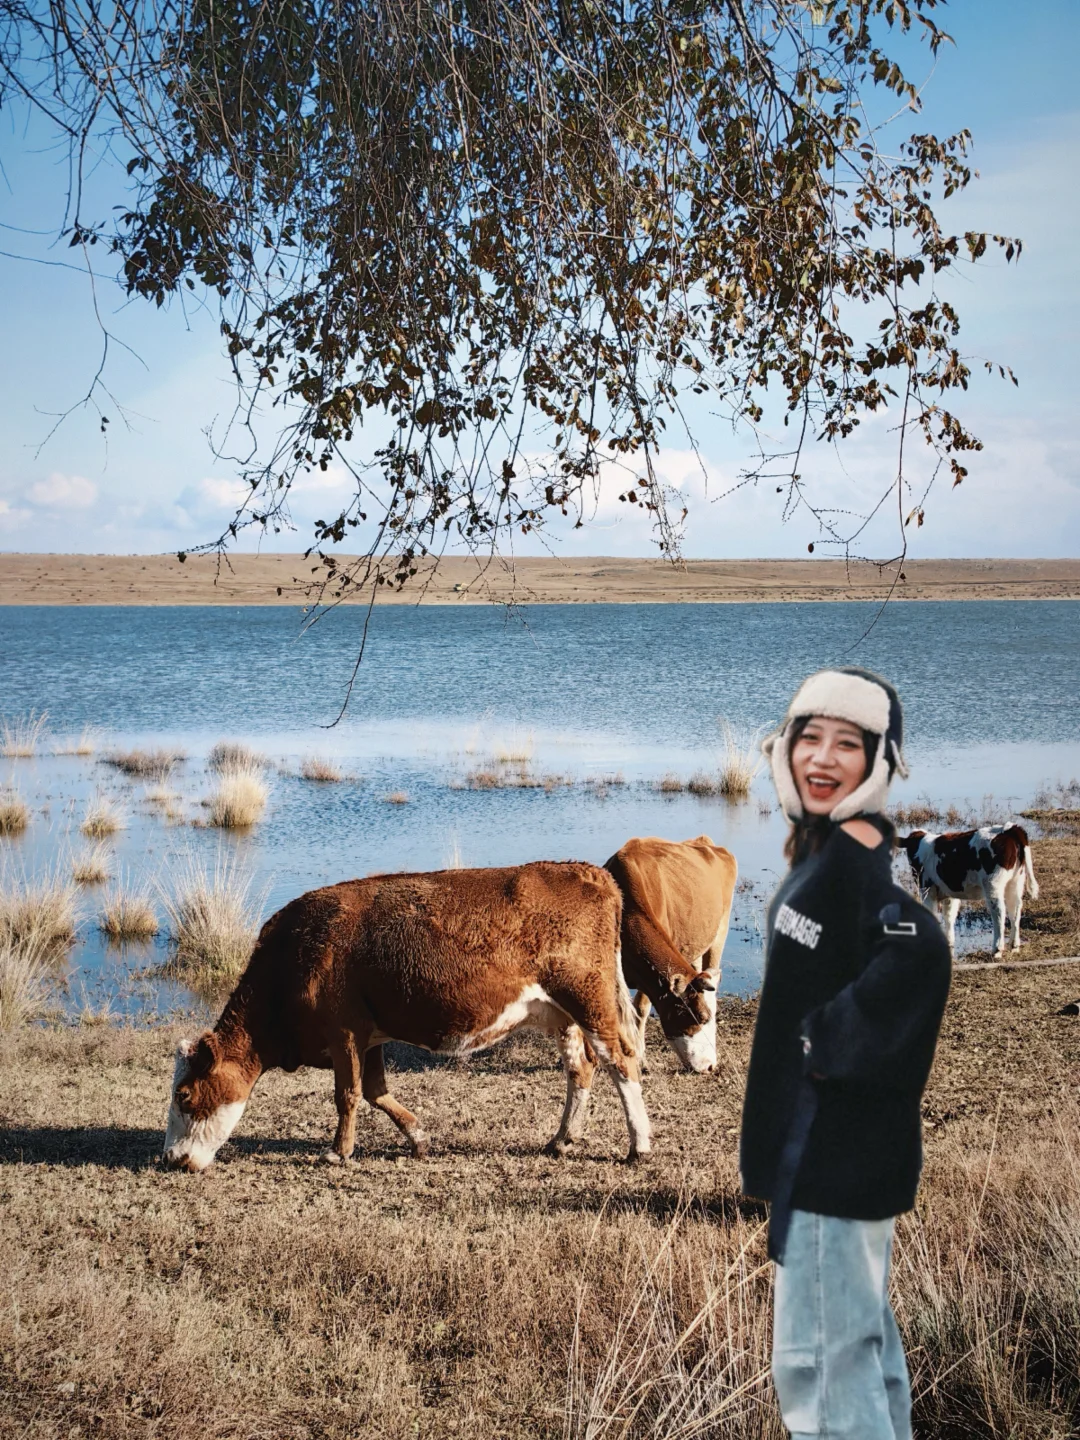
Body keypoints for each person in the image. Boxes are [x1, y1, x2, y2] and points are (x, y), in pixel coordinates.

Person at [740, 667, 952, 1440]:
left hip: (836, 1155)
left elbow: (919, 947)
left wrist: (825, 1041)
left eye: (847, 744)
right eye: (810, 738)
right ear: (786, 747)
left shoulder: (854, 862)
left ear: (879, 762)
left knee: (820, 1372)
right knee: (860, 1353)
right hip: (828, 1158)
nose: (823, 758)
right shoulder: (825, 856)